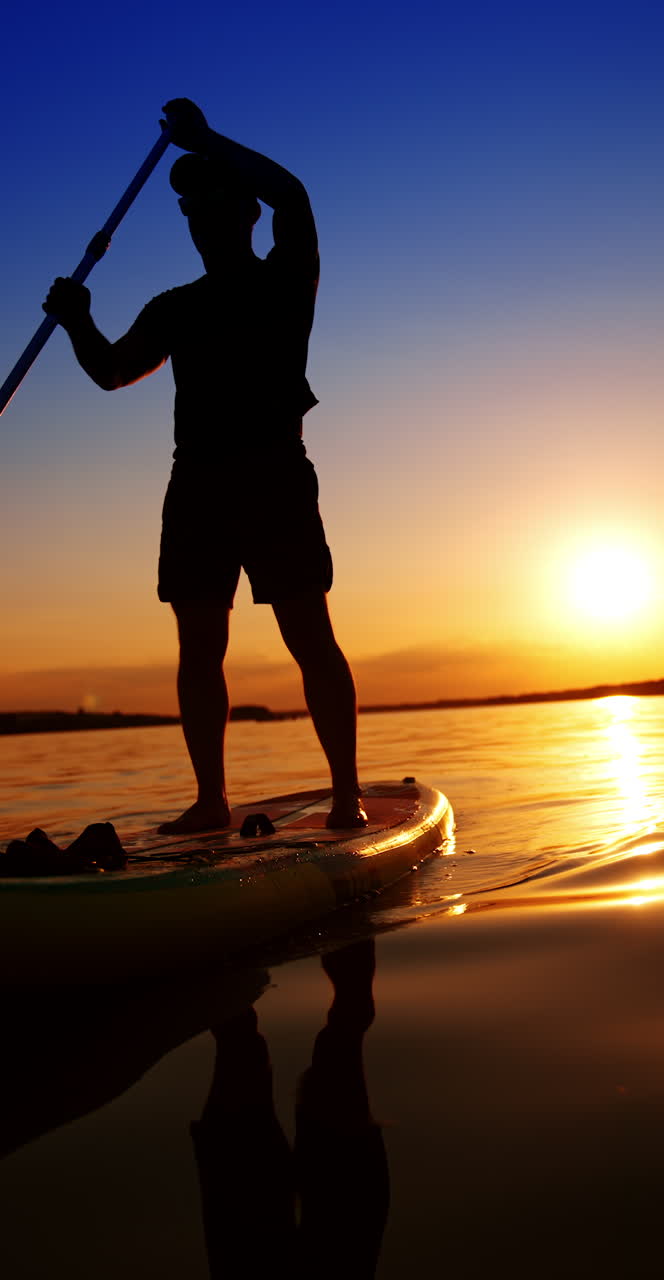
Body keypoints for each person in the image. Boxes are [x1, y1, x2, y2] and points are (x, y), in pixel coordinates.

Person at [44, 98, 367, 833]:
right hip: (196, 484)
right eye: (190, 209)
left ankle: (346, 796)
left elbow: (294, 195)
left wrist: (206, 139)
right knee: (198, 647)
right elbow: (113, 372)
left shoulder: (286, 277)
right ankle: (211, 800)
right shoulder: (174, 307)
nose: (199, 217)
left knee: (309, 635)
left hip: (274, 475)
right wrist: (77, 321)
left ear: (247, 213)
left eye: (214, 201)